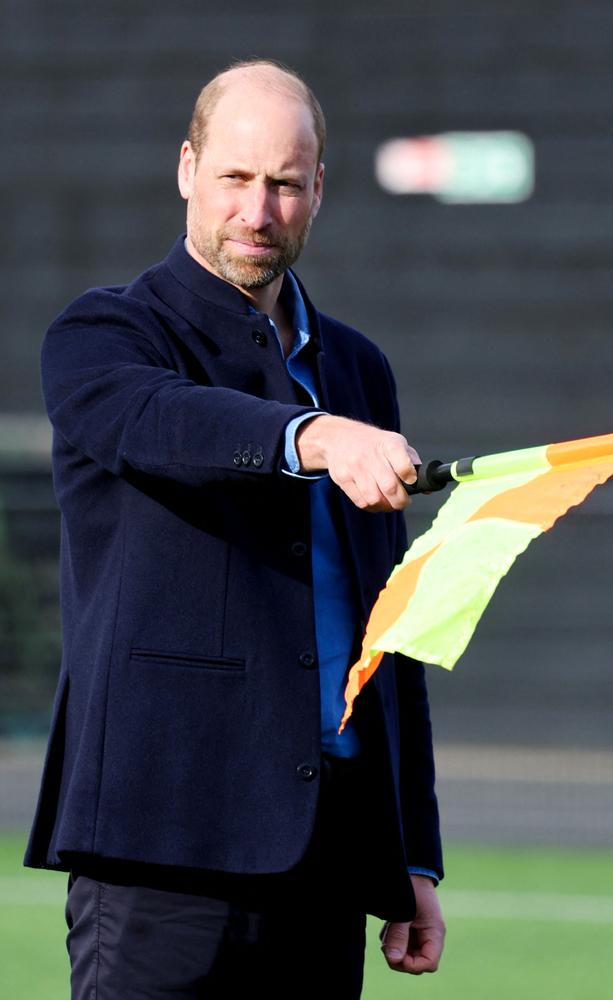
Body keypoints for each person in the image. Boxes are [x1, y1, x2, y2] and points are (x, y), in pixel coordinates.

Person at [25, 59, 445, 998]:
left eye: (285, 184)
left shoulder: (360, 369)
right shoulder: (103, 336)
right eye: (235, 178)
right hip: (159, 845)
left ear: (318, 191)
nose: (258, 210)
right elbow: (161, 422)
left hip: (328, 854)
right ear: (187, 169)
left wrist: (412, 854)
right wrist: (311, 435)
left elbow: (392, 629)